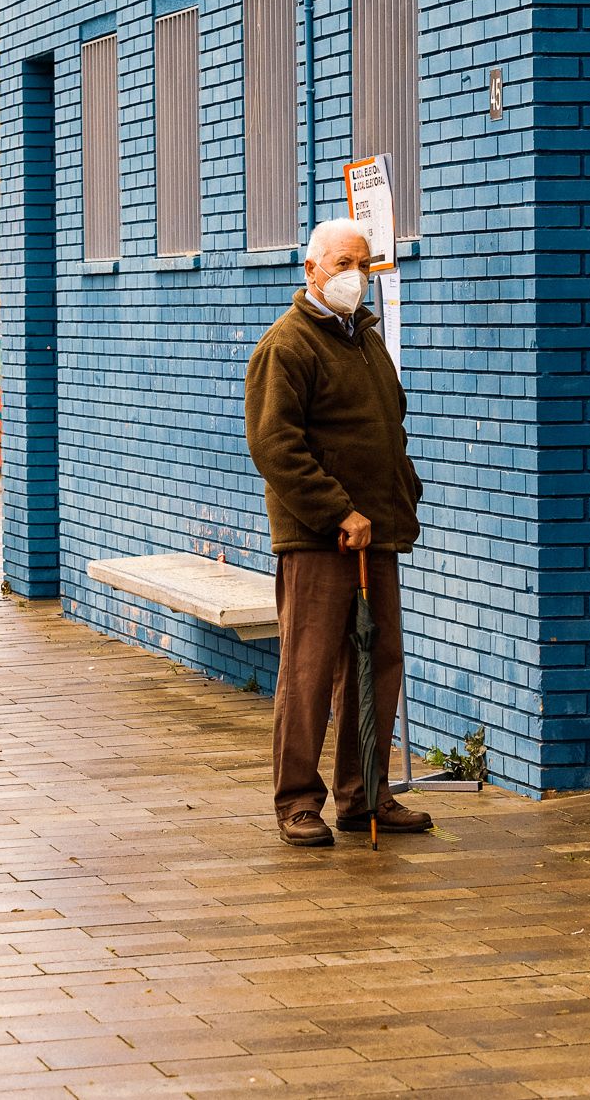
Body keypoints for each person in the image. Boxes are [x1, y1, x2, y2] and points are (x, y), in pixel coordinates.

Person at [244, 219, 431, 848]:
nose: (356, 275)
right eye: (344, 264)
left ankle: (365, 795)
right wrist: (335, 511)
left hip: (375, 532)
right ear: (312, 270)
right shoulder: (287, 345)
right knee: (309, 667)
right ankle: (298, 801)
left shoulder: (365, 340)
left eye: (365, 264)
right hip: (319, 537)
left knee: (378, 664)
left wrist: (401, 491)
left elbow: (388, 423)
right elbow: (275, 445)